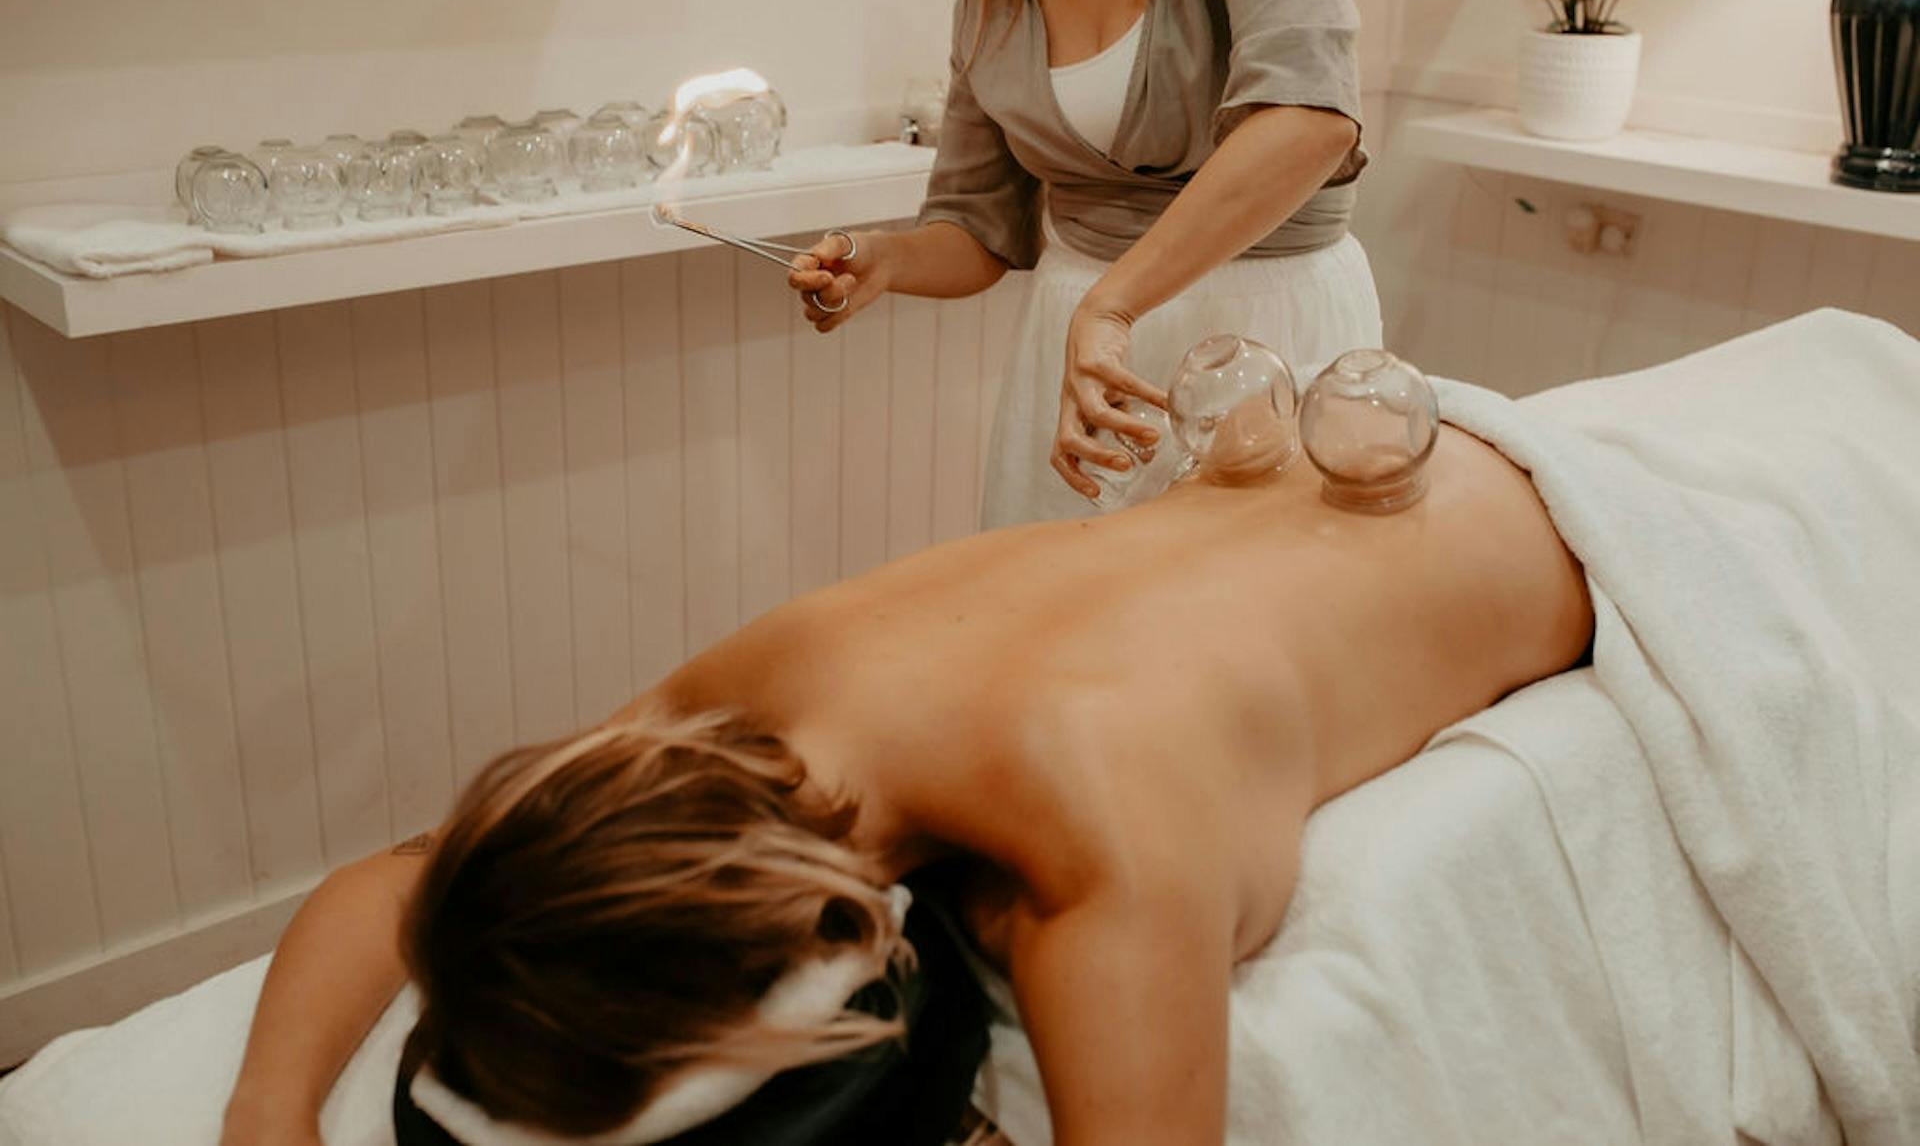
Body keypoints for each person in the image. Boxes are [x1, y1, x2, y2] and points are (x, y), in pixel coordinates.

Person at [220, 424, 1592, 1146]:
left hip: (1535, 514)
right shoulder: (721, 724)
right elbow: (397, 881)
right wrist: (265, 1114)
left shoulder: (1092, 826)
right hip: (1308, 454)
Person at [786, 0, 1382, 527]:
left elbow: (1308, 118)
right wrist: (887, 259)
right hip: (1075, 344)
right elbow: (979, 227)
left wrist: (1114, 305)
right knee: (1061, 611)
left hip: (1263, 328)